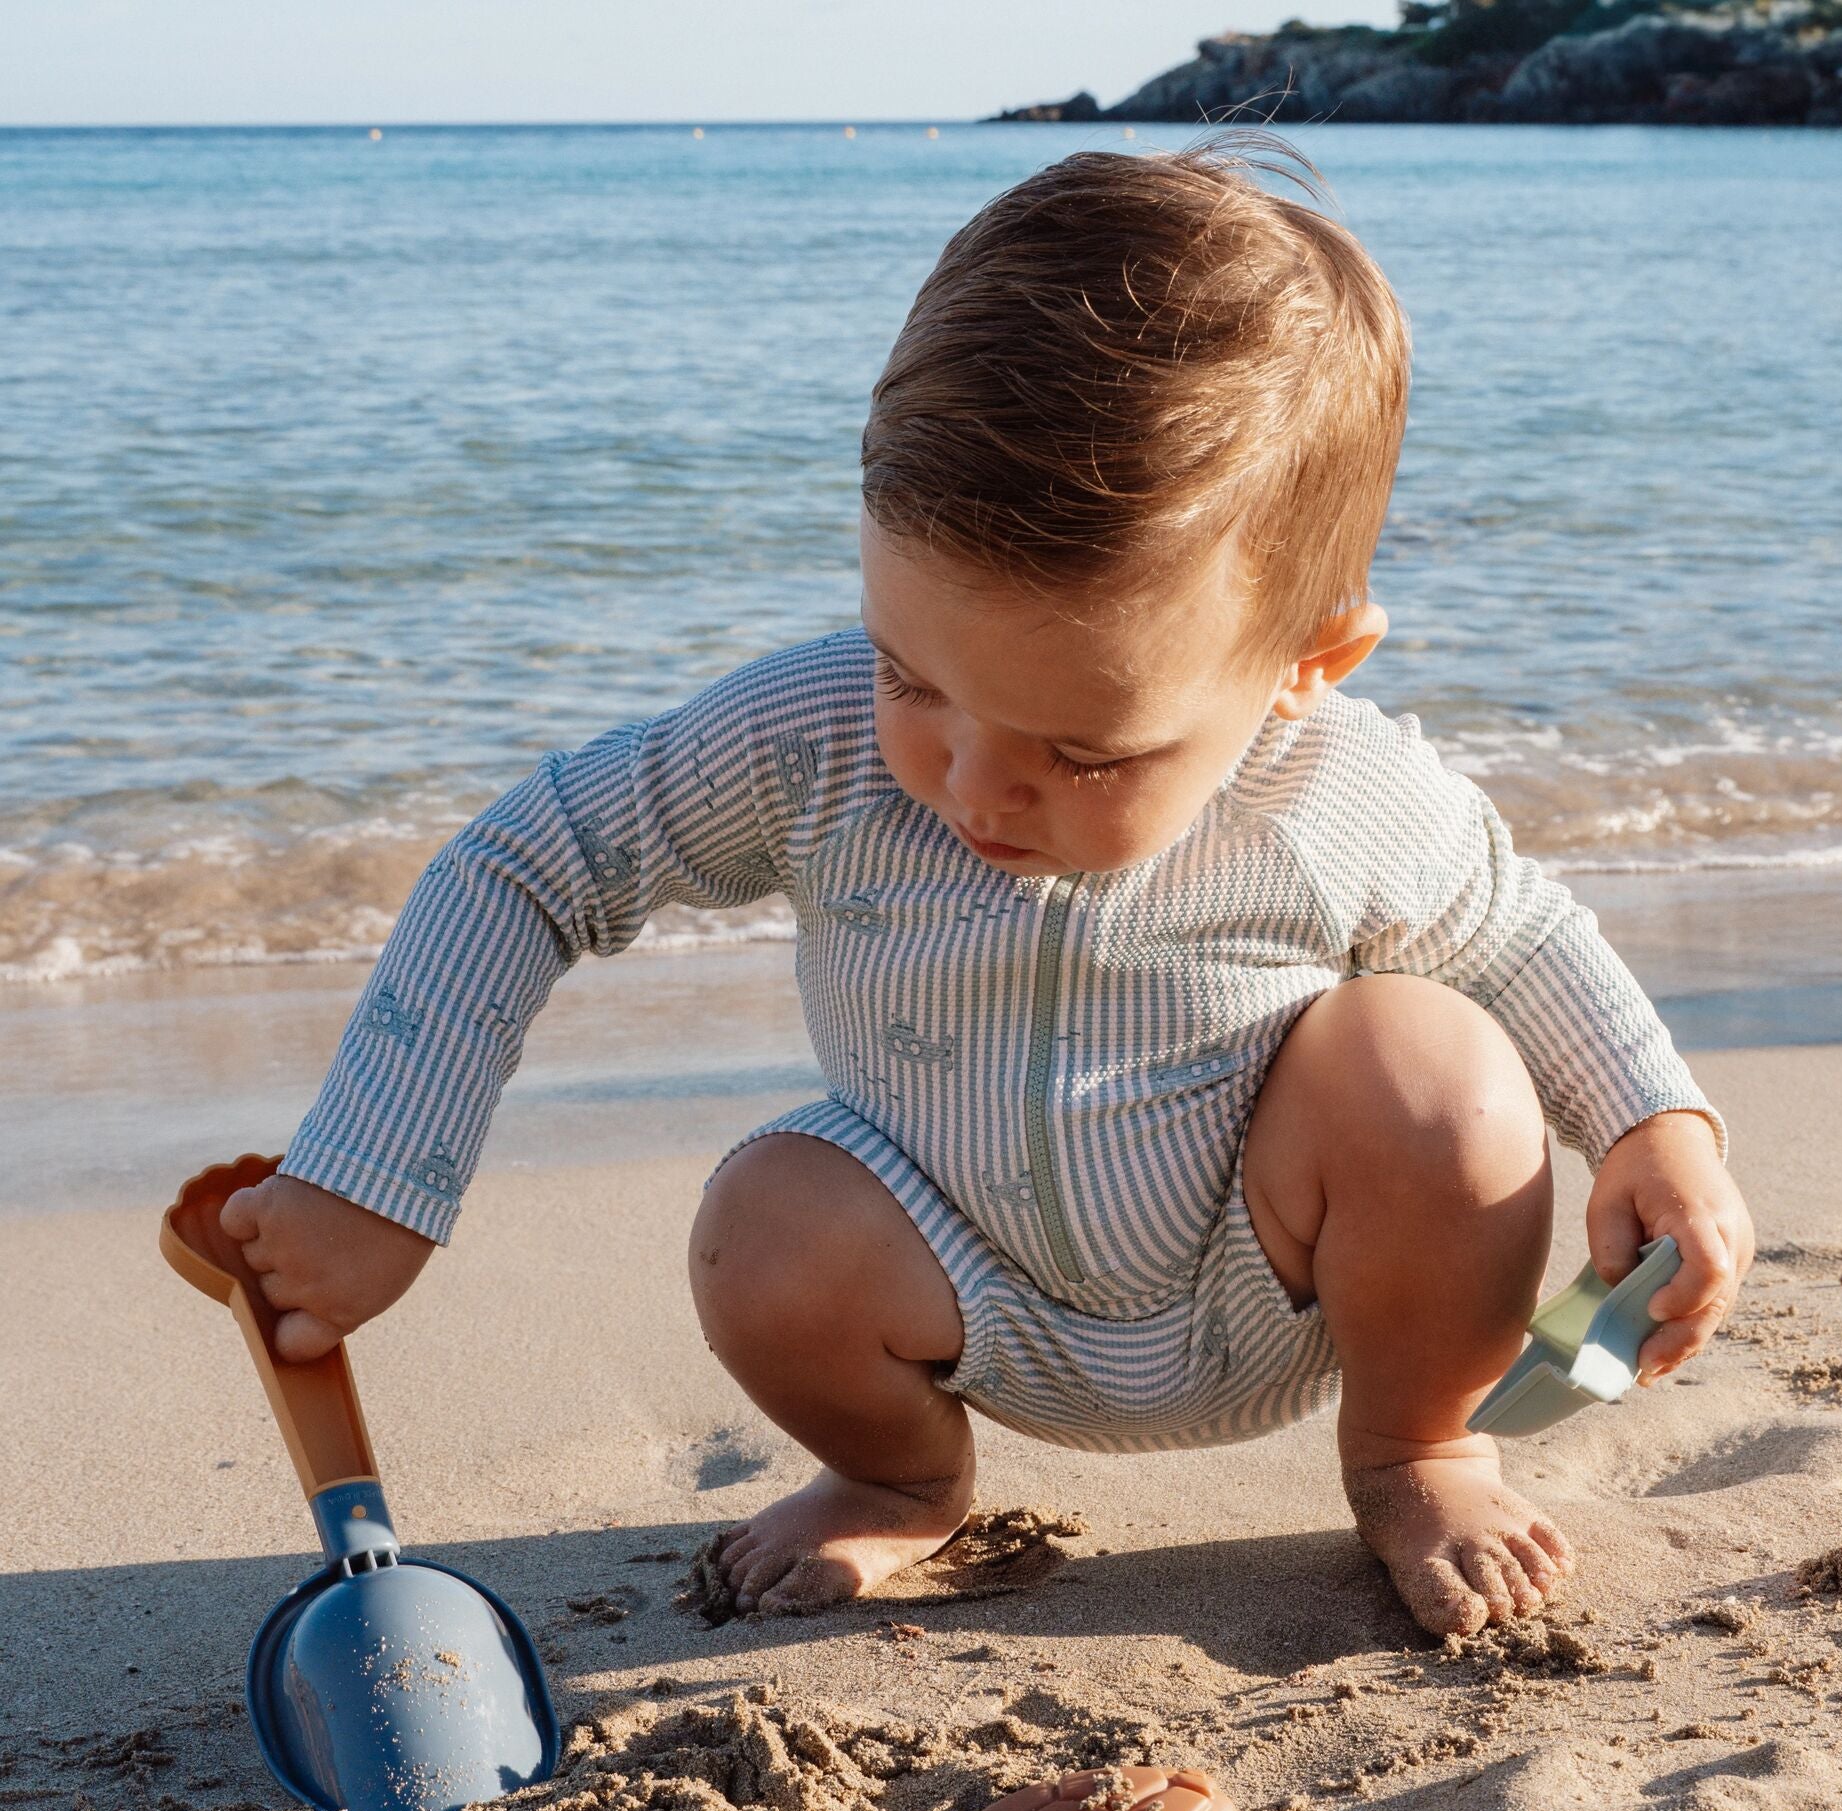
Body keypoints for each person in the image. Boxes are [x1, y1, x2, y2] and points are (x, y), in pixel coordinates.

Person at [220, 136, 1755, 1642]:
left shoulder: (1343, 791)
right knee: (761, 1218)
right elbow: (527, 861)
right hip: (959, 1291)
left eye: (1084, 753)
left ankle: (1415, 1450)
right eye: (913, 676)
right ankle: (896, 1478)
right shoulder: (811, 742)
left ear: (1306, 666)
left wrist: (1654, 1125)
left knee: (1437, 1072)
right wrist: (374, 1176)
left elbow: (1524, 930)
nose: (969, 785)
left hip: (1271, 1275)